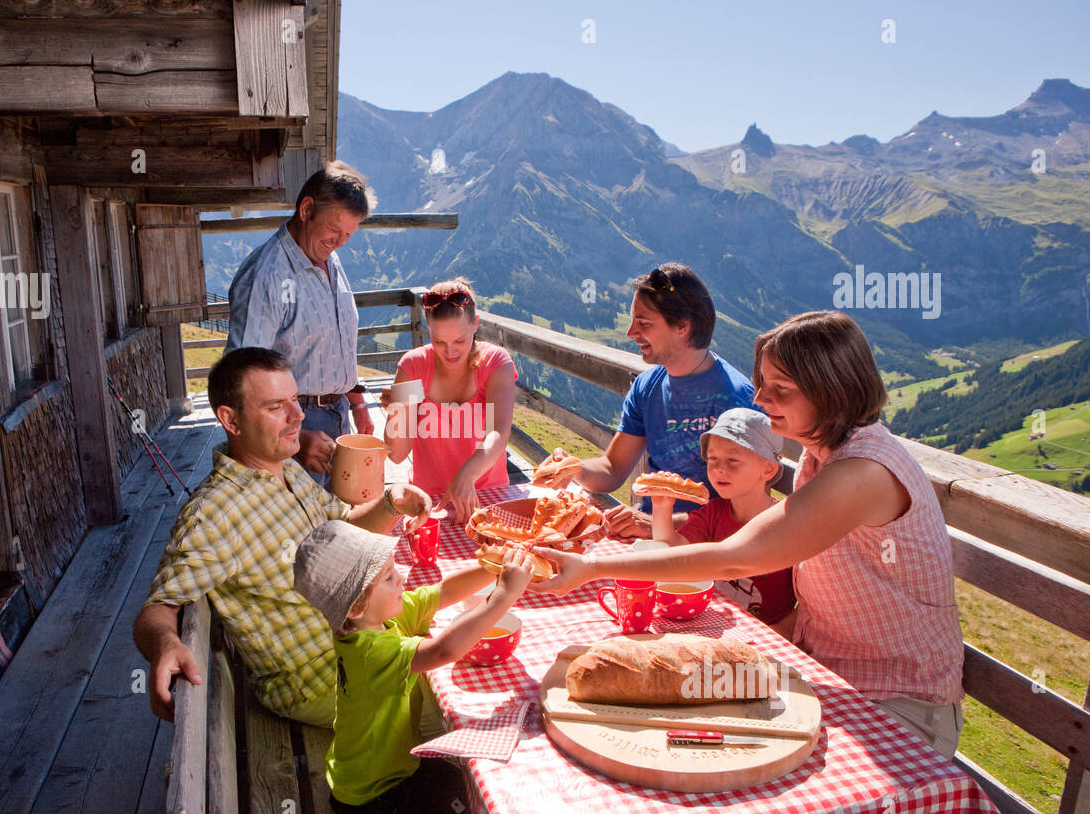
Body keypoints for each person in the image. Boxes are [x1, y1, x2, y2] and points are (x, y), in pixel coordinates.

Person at [533, 312, 965, 758]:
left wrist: (593, 568)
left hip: (900, 702)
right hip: (828, 672)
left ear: (833, 390)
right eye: (763, 383)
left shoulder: (862, 473)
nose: (760, 397)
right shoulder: (828, 454)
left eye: (782, 389)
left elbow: (739, 556)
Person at [132, 348, 432, 728]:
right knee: (459, 691)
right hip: (320, 679)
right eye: (277, 407)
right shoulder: (213, 516)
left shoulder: (286, 468)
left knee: (467, 619)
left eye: (295, 399)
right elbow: (157, 607)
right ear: (231, 420)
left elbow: (344, 527)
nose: (298, 416)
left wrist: (392, 502)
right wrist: (165, 642)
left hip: (359, 636)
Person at [292, 520, 534, 814]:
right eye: (390, 578)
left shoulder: (378, 619)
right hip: (373, 795)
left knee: (471, 784)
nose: (402, 578)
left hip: (384, 769)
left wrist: (494, 568)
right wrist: (502, 596)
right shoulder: (370, 650)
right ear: (356, 605)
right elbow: (443, 650)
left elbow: (444, 591)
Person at [539, 263, 756, 537]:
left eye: (643, 323)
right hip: (649, 535)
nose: (630, 332)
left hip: (703, 550)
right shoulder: (647, 386)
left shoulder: (735, 399)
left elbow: (742, 510)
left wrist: (657, 524)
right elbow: (613, 468)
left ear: (682, 327)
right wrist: (572, 467)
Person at [225, 161, 377, 486]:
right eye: (334, 231)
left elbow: (335, 343)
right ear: (306, 209)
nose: (339, 243)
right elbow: (240, 382)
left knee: (336, 526)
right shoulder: (266, 277)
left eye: (348, 235)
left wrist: (357, 402)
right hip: (295, 430)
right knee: (304, 534)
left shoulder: (327, 257)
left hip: (338, 416)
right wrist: (295, 436)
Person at [382, 279, 517, 523]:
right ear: (428, 330)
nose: (450, 352)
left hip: (488, 497)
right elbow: (397, 455)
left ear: (475, 325)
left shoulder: (496, 363)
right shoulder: (413, 366)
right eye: (439, 342)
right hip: (428, 503)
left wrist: (466, 476)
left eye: (460, 341)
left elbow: (498, 431)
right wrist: (397, 411)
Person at [649, 408, 795, 627]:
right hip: (712, 622)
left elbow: (810, 601)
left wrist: (782, 632)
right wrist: (661, 507)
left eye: (733, 460)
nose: (718, 469)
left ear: (768, 470)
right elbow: (670, 551)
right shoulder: (713, 512)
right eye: (712, 459)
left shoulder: (787, 524)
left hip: (766, 633)